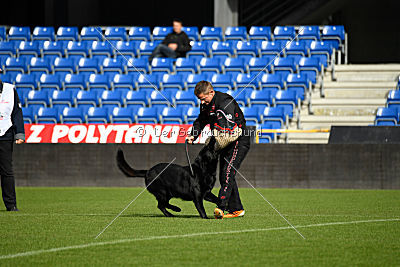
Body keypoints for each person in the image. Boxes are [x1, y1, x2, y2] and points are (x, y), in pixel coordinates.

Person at [186, 81, 250, 219]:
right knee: (224, 175)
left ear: (211, 92)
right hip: (225, 142)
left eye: (203, 99)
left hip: (238, 140)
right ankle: (237, 209)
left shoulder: (225, 103)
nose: (202, 102)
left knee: (227, 172)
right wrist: (193, 135)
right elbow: (201, 121)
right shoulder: (206, 105)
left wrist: (212, 145)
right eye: (199, 100)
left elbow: (227, 131)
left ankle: (221, 207)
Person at [0, 69, 25, 211]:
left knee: (6, 171)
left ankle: (11, 205)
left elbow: (17, 112)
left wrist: (19, 133)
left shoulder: (10, 89)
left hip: (5, 134)